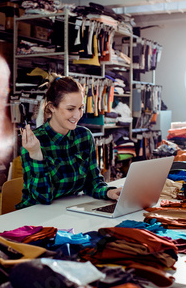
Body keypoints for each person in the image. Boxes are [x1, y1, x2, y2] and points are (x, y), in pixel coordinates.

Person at [16, 75, 122, 209]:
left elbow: (93, 182)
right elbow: (42, 198)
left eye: (80, 108)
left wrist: (109, 192)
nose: (77, 115)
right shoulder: (34, 142)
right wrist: (36, 154)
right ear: (52, 107)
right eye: (70, 109)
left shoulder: (84, 136)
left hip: (68, 211)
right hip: (35, 217)